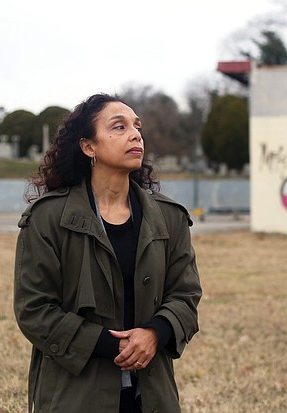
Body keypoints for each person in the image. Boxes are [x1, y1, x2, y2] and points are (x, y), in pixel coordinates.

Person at [13, 93, 202, 413]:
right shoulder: (48, 218)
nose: (135, 134)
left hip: (152, 397)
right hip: (75, 395)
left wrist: (155, 334)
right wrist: (115, 345)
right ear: (89, 147)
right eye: (119, 127)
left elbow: (185, 296)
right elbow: (35, 309)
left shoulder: (169, 218)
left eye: (137, 127)